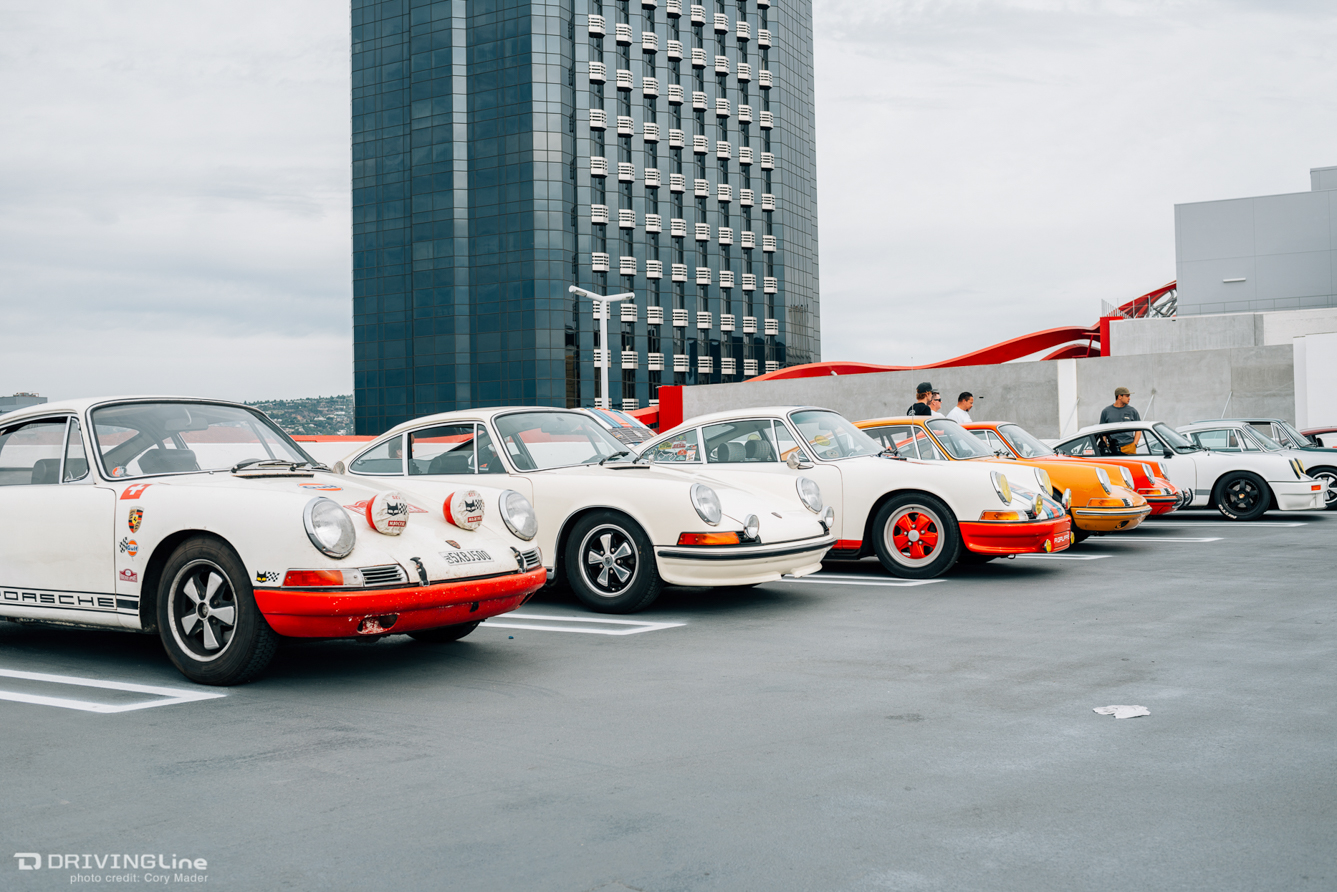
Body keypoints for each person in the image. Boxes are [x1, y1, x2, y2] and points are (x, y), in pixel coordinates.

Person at [1099, 387, 1141, 453]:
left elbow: (1138, 429)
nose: (1129, 398)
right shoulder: (1106, 411)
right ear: (1119, 397)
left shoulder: (1132, 411)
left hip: (1129, 447)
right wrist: (1106, 446)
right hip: (1112, 448)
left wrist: (1134, 444)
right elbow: (1102, 432)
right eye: (1127, 396)